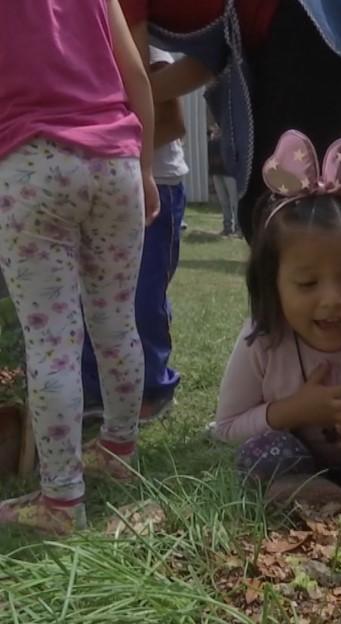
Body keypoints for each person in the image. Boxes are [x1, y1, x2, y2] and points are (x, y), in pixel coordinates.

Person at [118, 0, 341, 324]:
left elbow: (136, 82)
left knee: (270, 203)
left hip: (311, 18)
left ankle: (285, 350)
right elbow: (199, 66)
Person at [0, 0, 158, 534]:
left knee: (52, 345)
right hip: (114, 163)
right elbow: (135, 70)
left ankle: (62, 503)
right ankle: (118, 451)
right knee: (117, 324)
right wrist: (147, 168)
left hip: (29, 163)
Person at [212, 131, 341, 507]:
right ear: (272, 285)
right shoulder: (262, 339)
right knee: (261, 453)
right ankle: (311, 498)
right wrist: (298, 410)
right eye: (307, 283)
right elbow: (227, 429)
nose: (332, 300)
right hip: (293, 470)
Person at [82, 45, 188, 426]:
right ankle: (94, 390)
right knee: (91, 295)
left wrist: (111, 142)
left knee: (145, 296)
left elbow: (175, 122)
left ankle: (154, 389)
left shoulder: (146, 43)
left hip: (156, 183)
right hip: (100, 188)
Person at [209, 122, 239, 237]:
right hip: (216, 172)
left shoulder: (230, 138)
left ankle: (238, 228)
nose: (214, 128)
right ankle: (227, 227)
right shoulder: (212, 139)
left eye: (217, 126)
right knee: (223, 201)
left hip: (229, 173)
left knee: (234, 202)